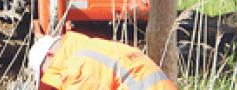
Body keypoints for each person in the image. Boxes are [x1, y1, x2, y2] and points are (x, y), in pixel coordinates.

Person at [28, 32, 176, 89]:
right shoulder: (92, 48)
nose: (46, 80)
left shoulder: (79, 67)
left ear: (50, 56)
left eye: (43, 73)